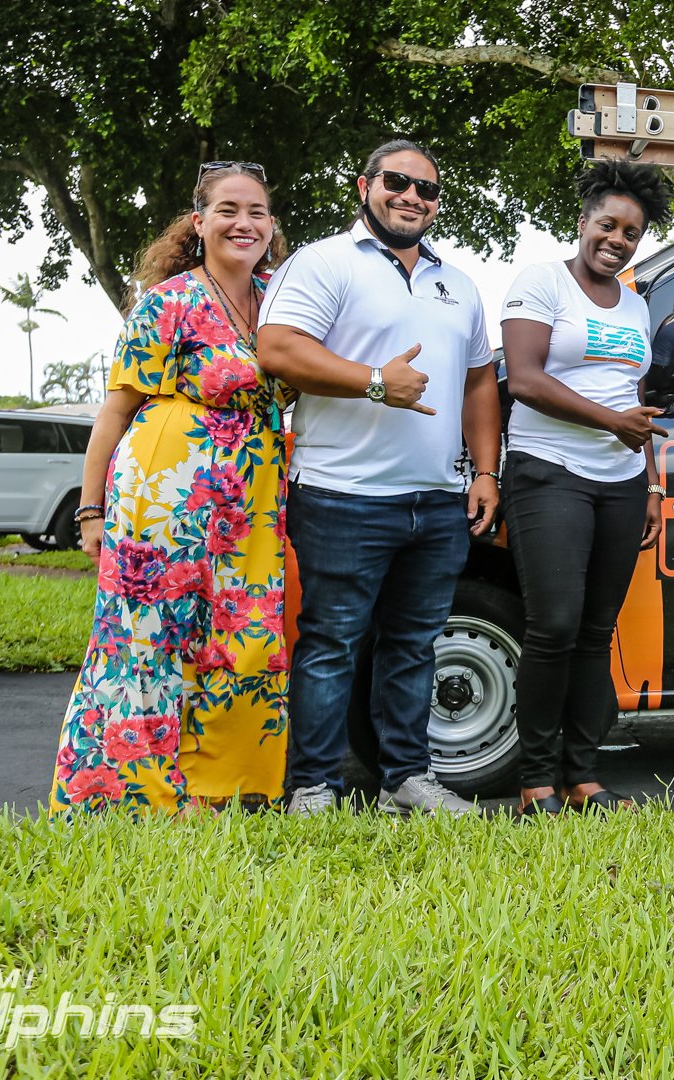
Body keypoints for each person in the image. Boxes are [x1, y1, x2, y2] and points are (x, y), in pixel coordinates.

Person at [258, 139, 501, 817]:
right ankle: (313, 786)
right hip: (342, 495)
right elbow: (277, 349)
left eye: (426, 189)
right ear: (365, 185)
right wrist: (372, 383)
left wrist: (485, 469)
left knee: (414, 644)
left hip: (437, 499)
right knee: (331, 645)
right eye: (397, 182)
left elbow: (481, 379)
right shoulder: (324, 262)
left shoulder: (458, 284)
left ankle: (406, 779)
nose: (411, 197)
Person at [49, 161, 292, 817]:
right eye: (228, 210)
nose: (244, 223)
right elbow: (115, 412)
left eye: (257, 212)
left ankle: (217, 788)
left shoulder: (280, 302)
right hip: (163, 497)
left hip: (251, 504)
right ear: (199, 222)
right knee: (153, 639)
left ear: (271, 226)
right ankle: (146, 796)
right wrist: (92, 508)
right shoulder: (170, 301)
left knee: (243, 635)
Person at [500, 160, 674, 816]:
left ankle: (582, 775)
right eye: (608, 225)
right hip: (550, 471)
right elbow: (525, 378)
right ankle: (535, 780)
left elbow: (633, 398)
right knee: (554, 626)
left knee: (598, 631)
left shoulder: (634, 302)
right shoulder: (541, 283)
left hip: (622, 481)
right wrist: (613, 424)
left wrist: (651, 485)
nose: (618, 240)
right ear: (582, 223)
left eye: (632, 232)